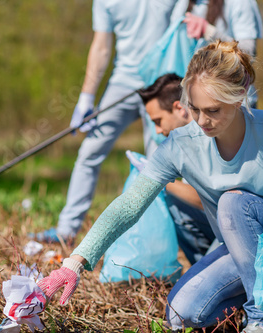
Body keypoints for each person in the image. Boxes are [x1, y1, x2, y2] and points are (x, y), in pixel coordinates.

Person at [37, 41, 263, 333]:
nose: (202, 121)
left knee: (233, 203)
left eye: (213, 110)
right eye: (194, 109)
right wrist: (75, 263)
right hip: (247, 255)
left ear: (240, 94)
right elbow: (130, 204)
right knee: (181, 313)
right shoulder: (181, 145)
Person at [31, 0, 178, 243]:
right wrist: (86, 98)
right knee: (89, 151)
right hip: (122, 83)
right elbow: (101, 46)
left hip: (163, 83)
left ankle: (159, 239)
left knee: (158, 163)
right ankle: (65, 230)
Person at [137, 73, 216, 264]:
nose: (157, 130)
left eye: (158, 121)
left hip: (240, 228)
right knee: (173, 201)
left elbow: (205, 198)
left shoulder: (208, 135)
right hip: (220, 223)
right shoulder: (183, 141)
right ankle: (205, 266)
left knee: (174, 199)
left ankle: (207, 268)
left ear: (179, 108)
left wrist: (160, 180)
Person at [171, 0, 263, 107]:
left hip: (233, 102)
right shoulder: (182, 4)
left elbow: (248, 52)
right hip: (193, 101)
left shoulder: (240, 3)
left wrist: (209, 32)